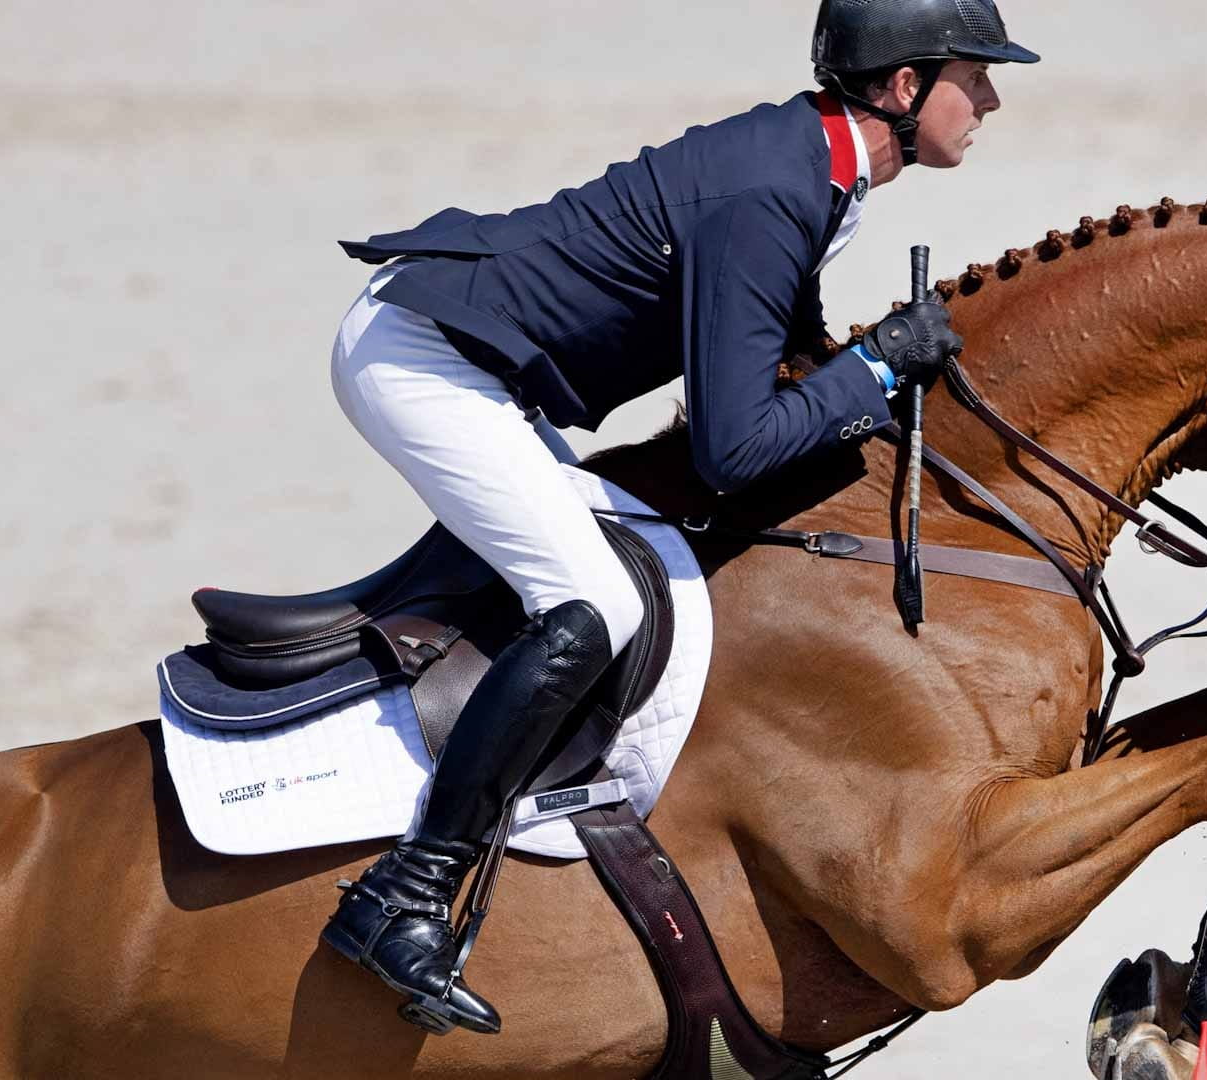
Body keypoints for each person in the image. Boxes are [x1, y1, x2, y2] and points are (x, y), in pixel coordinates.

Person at [320, 0, 1039, 1036]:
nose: (992, 98)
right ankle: (407, 893)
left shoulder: (818, 166)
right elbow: (734, 447)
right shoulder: (776, 185)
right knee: (594, 602)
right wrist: (880, 363)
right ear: (901, 87)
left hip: (482, 363)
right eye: (975, 75)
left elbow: (781, 374)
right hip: (423, 361)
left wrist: (874, 376)